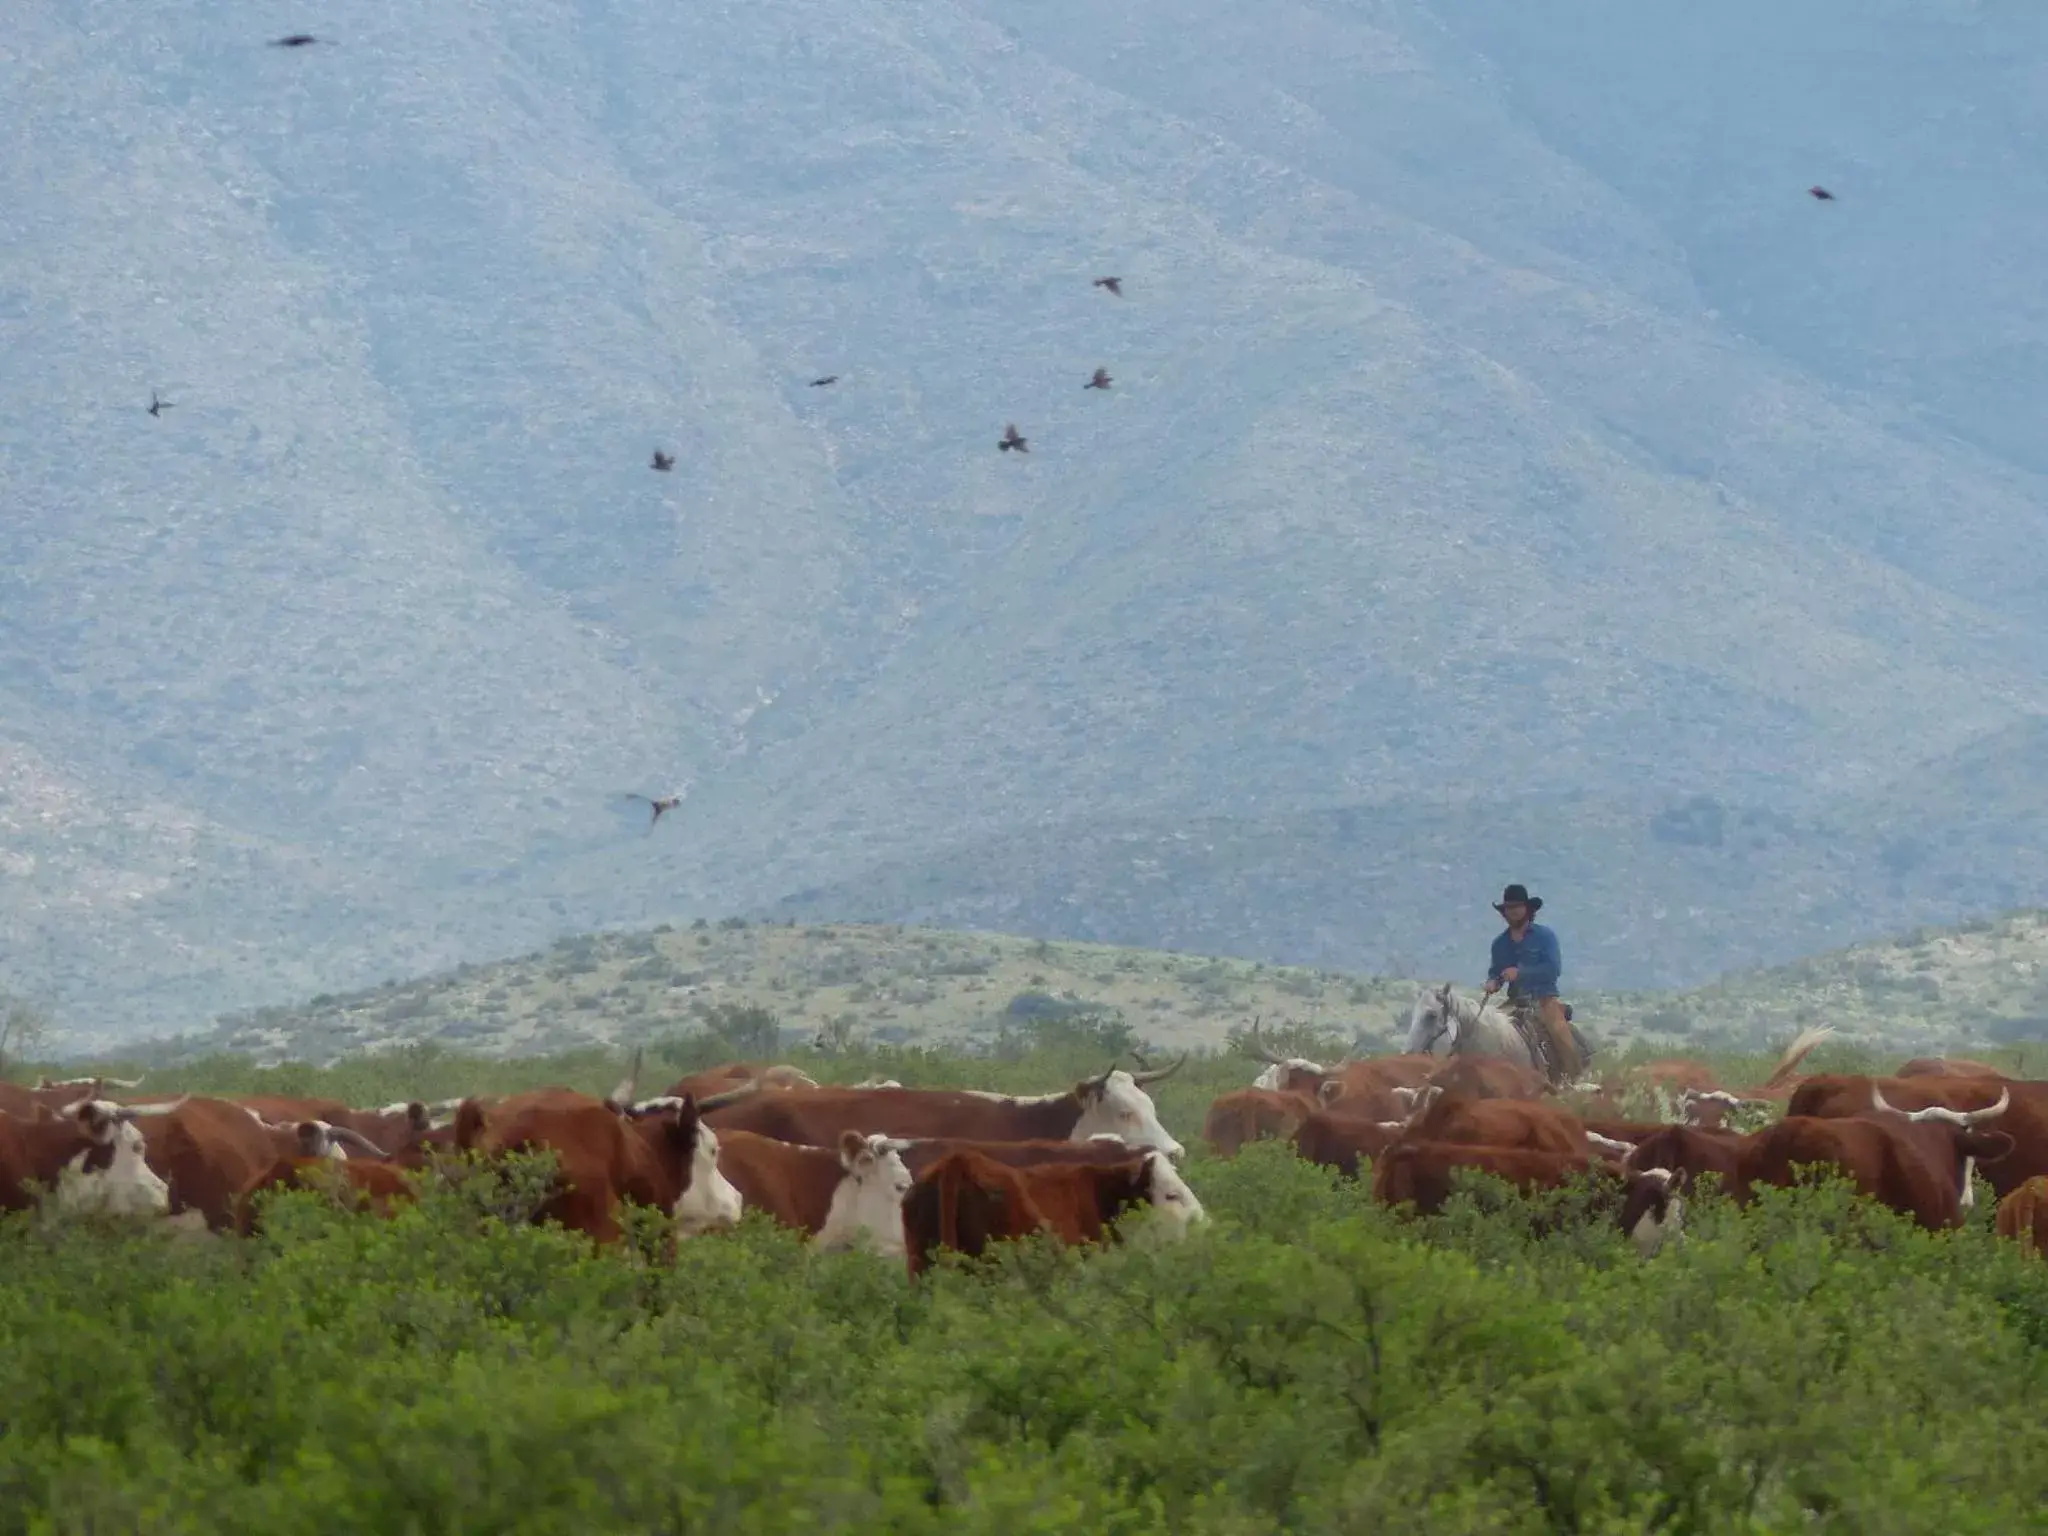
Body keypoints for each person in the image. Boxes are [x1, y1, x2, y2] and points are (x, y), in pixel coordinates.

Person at [1482, 883, 1582, 1081]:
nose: (1513, 912)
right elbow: (1495, 973)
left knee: (1559, 1032)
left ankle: (1574, 1078)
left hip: (1544, 999)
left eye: (1517, 907)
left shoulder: (1545, 937)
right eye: (1509, 908)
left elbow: (1553, 970)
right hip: (1514, 1001)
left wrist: (1520, 973)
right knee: (1486, 1030)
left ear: (1528, 909)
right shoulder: (1499, 944)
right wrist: (1493, 983)